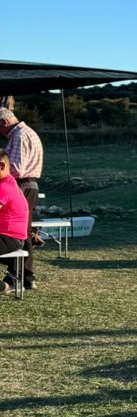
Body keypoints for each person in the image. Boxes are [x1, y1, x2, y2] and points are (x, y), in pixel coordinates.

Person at [0, 107, 43, 291]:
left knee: (20, 233)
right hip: (29, 185)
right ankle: (22, 277)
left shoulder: (19, 136)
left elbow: (15, 167)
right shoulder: (27, 133)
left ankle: (21, 278)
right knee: (23, 232)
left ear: (4, 122)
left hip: (22, 185)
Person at [0, 152, 30, 292]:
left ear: (1, 166)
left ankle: (7, 284)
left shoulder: (4, 187)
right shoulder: (8, 181)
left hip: (10, 238)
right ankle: (10, 282)